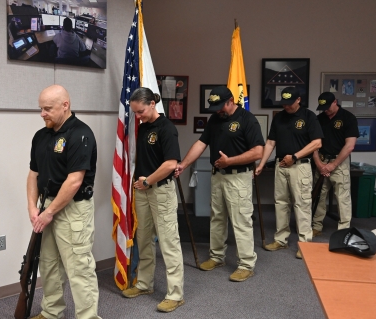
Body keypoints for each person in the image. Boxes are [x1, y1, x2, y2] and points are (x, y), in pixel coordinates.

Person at [175, 86, 264, 281]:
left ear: (230, 101)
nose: (216, 110)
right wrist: (183, 164)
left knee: (241, 220)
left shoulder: (247, 120)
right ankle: (217, 257)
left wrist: (230, 161)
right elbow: (201, 143)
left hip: (238, 177)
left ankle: (246, 264)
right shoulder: (215, 119)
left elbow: (258, 151)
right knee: (217, 218)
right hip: (218, 176)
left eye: (219, 106)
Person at [27, 85, 100, 319]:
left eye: (47, 108)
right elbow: (33, 174)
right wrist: (32, 207)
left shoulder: (81, 134)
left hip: (73, 209)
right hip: (46, 206)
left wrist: (48, 213)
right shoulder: (41, 136)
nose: (42, 114)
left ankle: (88, 317)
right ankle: (51, 312)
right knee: (48, 264)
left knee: (79, 268)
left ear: (65, 105)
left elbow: (75, 181)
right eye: (41, 108)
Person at [121, 87, 185, 313]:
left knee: (168, 242)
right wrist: (143, 184)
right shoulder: (143, 127)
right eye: (135, 113)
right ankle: (145, 284)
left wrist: (147, 181)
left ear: (151, 104)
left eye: (140, 112)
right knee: (144, 239)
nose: (137, 117)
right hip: (143, 191)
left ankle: (175, 294)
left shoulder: (166, 128)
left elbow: (170, 164)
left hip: (160, 191)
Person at [255, 87, 323, 259]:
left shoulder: (309, 117)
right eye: (284, 103)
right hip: (281, 166)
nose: (286, 106)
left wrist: (295, 156)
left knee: (302, 204)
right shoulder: (279, 118)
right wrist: (261, 163)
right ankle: (281, 239)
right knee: (281, 203)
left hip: (300, 166)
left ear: (298, 100)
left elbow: (317, 143)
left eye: (290, 103)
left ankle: (305, 243)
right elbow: (270, 142)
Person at [312, 92, 359, 236]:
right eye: (323, 107)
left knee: (342, 197)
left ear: (335, 102)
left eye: (328, 106)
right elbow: (313, 143)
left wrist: (333, 165)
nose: (325, 110)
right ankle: (316, 226)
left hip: (340, 161)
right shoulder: (319, 119)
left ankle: (344, 230)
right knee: (319, 195)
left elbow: (350, 146)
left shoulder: (348, 118)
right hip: (321, 160)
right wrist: (319, 164)